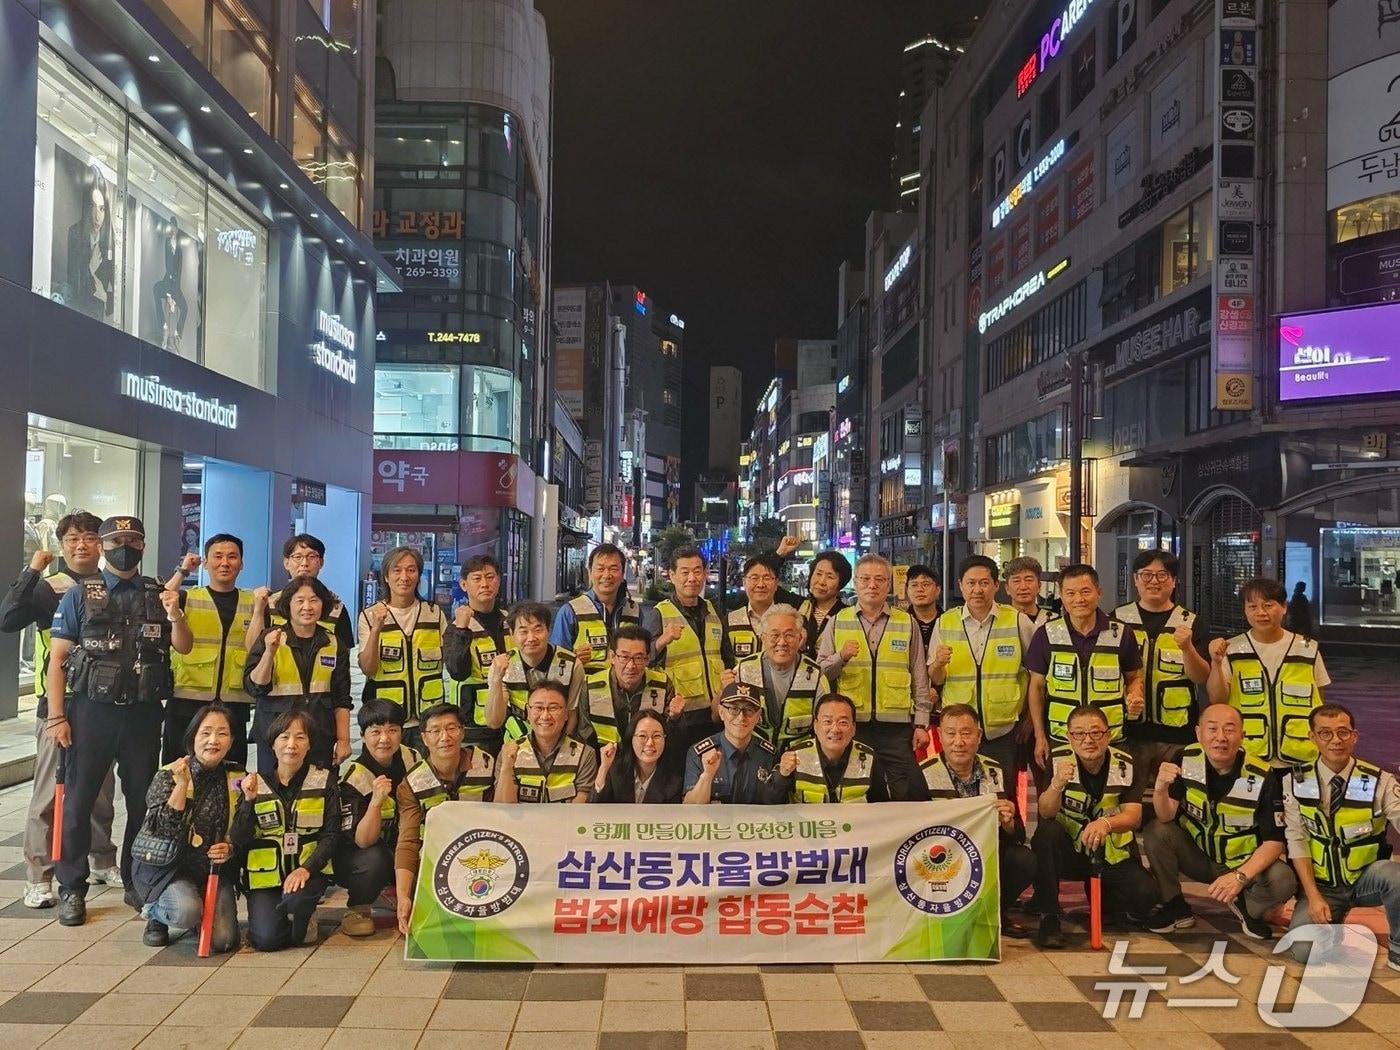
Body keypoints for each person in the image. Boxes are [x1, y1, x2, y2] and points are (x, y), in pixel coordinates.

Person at [48, 515, 192, 927]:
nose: (123, 546)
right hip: (90, 713)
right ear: (103, 546)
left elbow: (183, 646)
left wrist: (175, 612)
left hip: (143, 715)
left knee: (142, 801)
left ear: (142, 546)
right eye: (116, 540)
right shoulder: (79, 594)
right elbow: (57, 661)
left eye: (132, 540)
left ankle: (135, 877)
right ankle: (72, 888)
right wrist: (57, 716)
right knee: (77, 802)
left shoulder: (157, 593)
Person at [0, 510, 120, 908]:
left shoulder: (114, 586)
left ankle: (101, 859)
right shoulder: (48, 588)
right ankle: (39, 875)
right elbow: (8, 618)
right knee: (49, 794)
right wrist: (31, 571)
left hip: (100, 705)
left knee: (101, 791)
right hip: (57, 704)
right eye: (72, 539)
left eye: (89, 537)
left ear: (101, 543)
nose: (81, 544)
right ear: (62, 545)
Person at [1143, 703, 1295, 938]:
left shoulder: (1263, 775)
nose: (1220, 738)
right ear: (1198, 733)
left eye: (1229, 730)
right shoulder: (1185, 757)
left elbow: (1274, 843)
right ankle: (1174, 905)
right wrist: (1160, 789)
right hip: (1198, 856)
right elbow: (1166, 815)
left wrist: (1239, 876)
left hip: (1240, 863)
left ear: (1243, 735)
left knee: (1283, 878)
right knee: (1156, 830)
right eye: (1212, 729)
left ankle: (1247, 906)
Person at [1282, 704, 1400, 968]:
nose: (1335, 740)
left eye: (1343, 733)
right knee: (1304, 951)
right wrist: (1312, 896)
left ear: (1355, 736)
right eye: (1325, 733)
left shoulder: (1380, 781)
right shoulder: (1295, 781)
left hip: (1366, 880)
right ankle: (1332, 928)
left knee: (1396, 876)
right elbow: (1296, 840)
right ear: (1312, 737)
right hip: (1323, 886)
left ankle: (1398, 949)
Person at [1031, 705, 1157, 948]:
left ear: (1108, 735)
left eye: (1095, 733)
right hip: (1070, 852)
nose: (1088, 740)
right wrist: (1056, 784)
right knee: (1046, 833)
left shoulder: (1127, 764)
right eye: (1079, 734)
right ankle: (1050, 916)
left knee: (1146, 894)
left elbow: (1134, 816)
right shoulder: (1059, 760)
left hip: (1108, 854)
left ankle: (1106, 901)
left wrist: (1106, 823)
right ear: (1069, 737)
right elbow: (1046, 811)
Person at [817, 553, 932, 802]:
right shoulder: (837, 621)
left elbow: (920, 677)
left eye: (880, 579)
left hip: (896, 726)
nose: (872, 585)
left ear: (889, 585)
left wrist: (921, 723)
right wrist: (841, 657)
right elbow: (820, 673)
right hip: (853, 724)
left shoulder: (906, 622)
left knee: (907, 789)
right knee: (861, 788)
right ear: (855, 583)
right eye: (866, 579)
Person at [917, 703, 1037, 938]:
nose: (959, 742)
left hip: (985, 856)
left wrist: (1009, 822)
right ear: (940, 735)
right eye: (951, 734)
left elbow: (1019, 835)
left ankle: (996, 914)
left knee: (1025, 859)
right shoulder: (922, 773)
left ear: (979, 736)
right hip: (939, 861)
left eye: (966, 733)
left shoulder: (997, 771)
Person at [130, 702, 242, 950]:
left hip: (211, 870)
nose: (213, 740)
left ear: (231, 741)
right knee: (185, 912)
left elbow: (245, 828)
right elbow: (163, 829)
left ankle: (196, 910)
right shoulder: (169, 774)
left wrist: (230, 848)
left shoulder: (237, 777)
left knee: (224, 942)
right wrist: (181, 785)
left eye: (222, 734)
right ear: (192, 738)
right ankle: (155, 913)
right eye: (206, 733)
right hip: (169, 869)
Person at [1024, 563, 1145, 779]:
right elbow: (1036, 687)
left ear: (1098, 592)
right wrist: (1040, 736)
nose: (1079, 599)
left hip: (1110, 739)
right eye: (1070, 593)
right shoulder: (1046, 634)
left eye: (1085, 591)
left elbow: (1133, 677)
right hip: (1062, 738)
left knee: (1112, 799)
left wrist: (1135, 693)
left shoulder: (1121, 633)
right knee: (1058, 800)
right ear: (1061, 596)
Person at [232, 709, 339, 950]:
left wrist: (306, 869)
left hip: (307, 872)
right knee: (266, 940)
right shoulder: (254, 783)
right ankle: (280, 918)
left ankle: (301, 912)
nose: (292, 745)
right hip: (266, 876)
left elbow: (332, 836)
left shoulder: (324, 781)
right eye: (284, 737)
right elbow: (239, 838)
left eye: (300, 737)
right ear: (272, 744)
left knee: (296, 904)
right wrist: (248, 802)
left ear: (309, 744)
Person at [1111, 550, 1211, 799]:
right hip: (1130, 731)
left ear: (1174, 580)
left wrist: (1187, 647)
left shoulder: (1191, 622)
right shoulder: (1117, 620)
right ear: (1135, 579)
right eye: (1146, 575)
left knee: (1176, 798)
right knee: (1127, 798)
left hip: (1177, 733)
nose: (1154, 581)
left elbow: (1200, 676)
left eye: (1162, 575)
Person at [928, 555, 1037, 775]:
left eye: (984, 583)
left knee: (1002, 794)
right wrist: (938, 664)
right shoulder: (945, 622)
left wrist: (1029, 719)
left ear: (996, 585)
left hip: (1003, 728)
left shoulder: (1018, 621)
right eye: (971, 583)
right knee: (959, 793)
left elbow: (1037, 674)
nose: (977, 589)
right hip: (959, 730)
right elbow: (936, 678)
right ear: (960, 585)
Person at [393, 702, 496, 934]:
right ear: (424, 738)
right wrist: (403, 897)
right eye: (435, 731)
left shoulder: (488, 766)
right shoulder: (412, 783)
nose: (444, 737)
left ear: (462, 731)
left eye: (451, 728)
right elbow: (408, 841)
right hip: (437, 863)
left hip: (483, 858)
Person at [1207, 576, 1329, 766]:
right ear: (1245, 611)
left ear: (1284, 607)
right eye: (1253, 607)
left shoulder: (1307, 649)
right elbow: (1217, 700)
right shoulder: (1231, 650)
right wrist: (1216, 663)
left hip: (1300, 759)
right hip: (1248, 756)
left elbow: (1320, 702)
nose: (1261, 613)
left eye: (1268, 605)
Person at [243, 575, 352, 776]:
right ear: (288, 605)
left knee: (317, 797)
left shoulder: (334, 644)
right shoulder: (270, 637)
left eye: (314, 600)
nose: (307, 607)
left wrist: (344, 740)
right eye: (300, 601)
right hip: (274, 736)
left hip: (318, 736)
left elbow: (342, 698)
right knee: (272, 797)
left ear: (323, 605)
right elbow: (254, 687)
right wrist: (269, 652)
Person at [164, 533, 257, 767]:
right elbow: (163, 597)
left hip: (233, 703)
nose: (225, 562)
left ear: (241, 563)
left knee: (232, 775)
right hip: (187, 700)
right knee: (178, 771)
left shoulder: (254, 602)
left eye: (232, 557)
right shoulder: (188, 597)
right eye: (217, 556)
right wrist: (183, 570)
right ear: (205, 563)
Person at [336, 699, 418, 938]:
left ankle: (404, 897)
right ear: (362, 736)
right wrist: (375, 802)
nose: (385, 739)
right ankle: (357, 909)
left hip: (402, 843)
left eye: (392, 730)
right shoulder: (355, 777)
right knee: (376, 858)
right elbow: (362, 840)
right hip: (358, 856)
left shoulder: (412, 759)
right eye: (376, 732)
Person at [358, 546, 447, 747]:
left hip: (429, 719)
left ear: (419, 575)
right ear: (386, 577)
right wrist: (376, 630)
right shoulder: (369, 615)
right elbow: (368, 668)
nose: (404, 577)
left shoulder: (434, 613)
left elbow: (450, 661)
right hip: (387, 722)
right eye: (397, 570)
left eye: (411, 570)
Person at [654, 545, 728, 753]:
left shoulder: (713, 612)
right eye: (685, 572)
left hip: (715, 713)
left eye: (697, 571)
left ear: (705, 573)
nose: (692, 578)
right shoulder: (660, 613)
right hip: (681, 715)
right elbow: (645, 658)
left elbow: (726, 656)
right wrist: (663, 640)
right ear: (672, 575)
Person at [727, 604, 828, 749]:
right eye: (774, 635)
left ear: (799, 638)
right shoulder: (743, 670)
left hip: (798, 755)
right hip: (752, 753)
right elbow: (728, 720)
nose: (782, 642)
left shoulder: (816, 675)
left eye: (789, 635)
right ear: (763, 638)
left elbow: (825, 725)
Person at [485, 601, 586, 743]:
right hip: (516, 744)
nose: (531, 638)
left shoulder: (572, 665)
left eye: (538, 630)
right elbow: (494, 722)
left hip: (559, 743)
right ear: (512, 634)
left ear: (548, 631)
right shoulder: (501, 666)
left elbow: (572, 715)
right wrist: (496, 680)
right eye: (523, 631)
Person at [442, 554, 513, 754]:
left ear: (499, 581)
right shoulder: (456, 628)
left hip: (512, 723)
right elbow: (457, 671)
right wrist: (462, 630)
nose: (485, 584)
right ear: (464, 584)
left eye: (490, 577)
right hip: (474, 727)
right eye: (477, 578)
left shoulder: (511, 621)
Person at [550, 543, 650, 675]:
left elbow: (644, 655)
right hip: (585, 692)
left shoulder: (634, 611)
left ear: (622, 574)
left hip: (625, 691)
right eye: (600, 569)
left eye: (613, 569)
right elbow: (555, 663)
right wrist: (573, 659)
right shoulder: (569, 612)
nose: (607, 575)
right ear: (590, 572)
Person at [244, 534, 355, 652]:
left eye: (312, 556)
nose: (304, 563)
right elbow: (252, 649)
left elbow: (343, 657)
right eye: (297, 557)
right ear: (286, 563)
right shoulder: (269, 603)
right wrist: (258, 611)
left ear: (321, 562)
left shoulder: (336, 608)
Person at [773, 693, 890, 803]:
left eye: (843, 722)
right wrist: (782, 775)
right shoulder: (794, 756)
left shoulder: (870, 759)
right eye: (827, 721)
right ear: (815, 725)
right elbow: (770, 802)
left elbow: (883, 809)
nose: (835, 729)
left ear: (854, 728)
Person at [683, 681, 787, 804]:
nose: (741, 717)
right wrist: (707, 775)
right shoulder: (700, 753)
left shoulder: (770, 755)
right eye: (733, 709)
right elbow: (690, 809)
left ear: (758, 716)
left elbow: (778, 808)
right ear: (721, 712)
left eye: (749, 710)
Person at [495, 681, 596, 804]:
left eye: (553, 708)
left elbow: (579, 810)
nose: (545, 716)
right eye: (538, 708)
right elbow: (503, 810)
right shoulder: (509, 752)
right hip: (522, 822)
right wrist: (507, 767)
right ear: (528, 712)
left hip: (565, 822)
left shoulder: (585, 754)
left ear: (566, 714)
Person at [585, 625, 679, 746]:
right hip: (605, 757)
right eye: (624, 657)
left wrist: (676, 717)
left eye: (638, 658)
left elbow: (671, 736)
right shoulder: (591, 686)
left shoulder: (662, 684)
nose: (631, 666)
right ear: (612, 657)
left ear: (647, 659)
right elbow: (585, 735)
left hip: (649, 757)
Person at [592, 710, 683, 803]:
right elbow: (593, 809)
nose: (650, 743)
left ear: (665, 739)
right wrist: (604, 767)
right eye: (642, 736)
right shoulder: (615, 770)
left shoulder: (673, 781)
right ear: (631, 738)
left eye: (657, 736)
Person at [726, 553, 788, 661]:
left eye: (767, 578)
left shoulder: (788, 619)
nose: (760, 584)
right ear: (744, 582)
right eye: (754, 578)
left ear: (776, 583)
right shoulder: (730, 620)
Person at [796, 551, 851, 659]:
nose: (822, 582)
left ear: (841, 584)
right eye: (818, 574)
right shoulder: (797, 606)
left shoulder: (846, 616)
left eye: (830, 577)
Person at [1004, 556, 1049, 629]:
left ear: (1039, 586)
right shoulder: (998, 620)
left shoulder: (1053, 620)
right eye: (1016, 581)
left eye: (1029, 580)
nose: (1023, 587)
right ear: (1007, 588)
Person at [904, 564, 942, 650]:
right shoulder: (900, 622)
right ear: (907, 590)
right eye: (914, 585)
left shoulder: (948, 622)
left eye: (925, 584)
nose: (919, 589)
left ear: (938, 590)